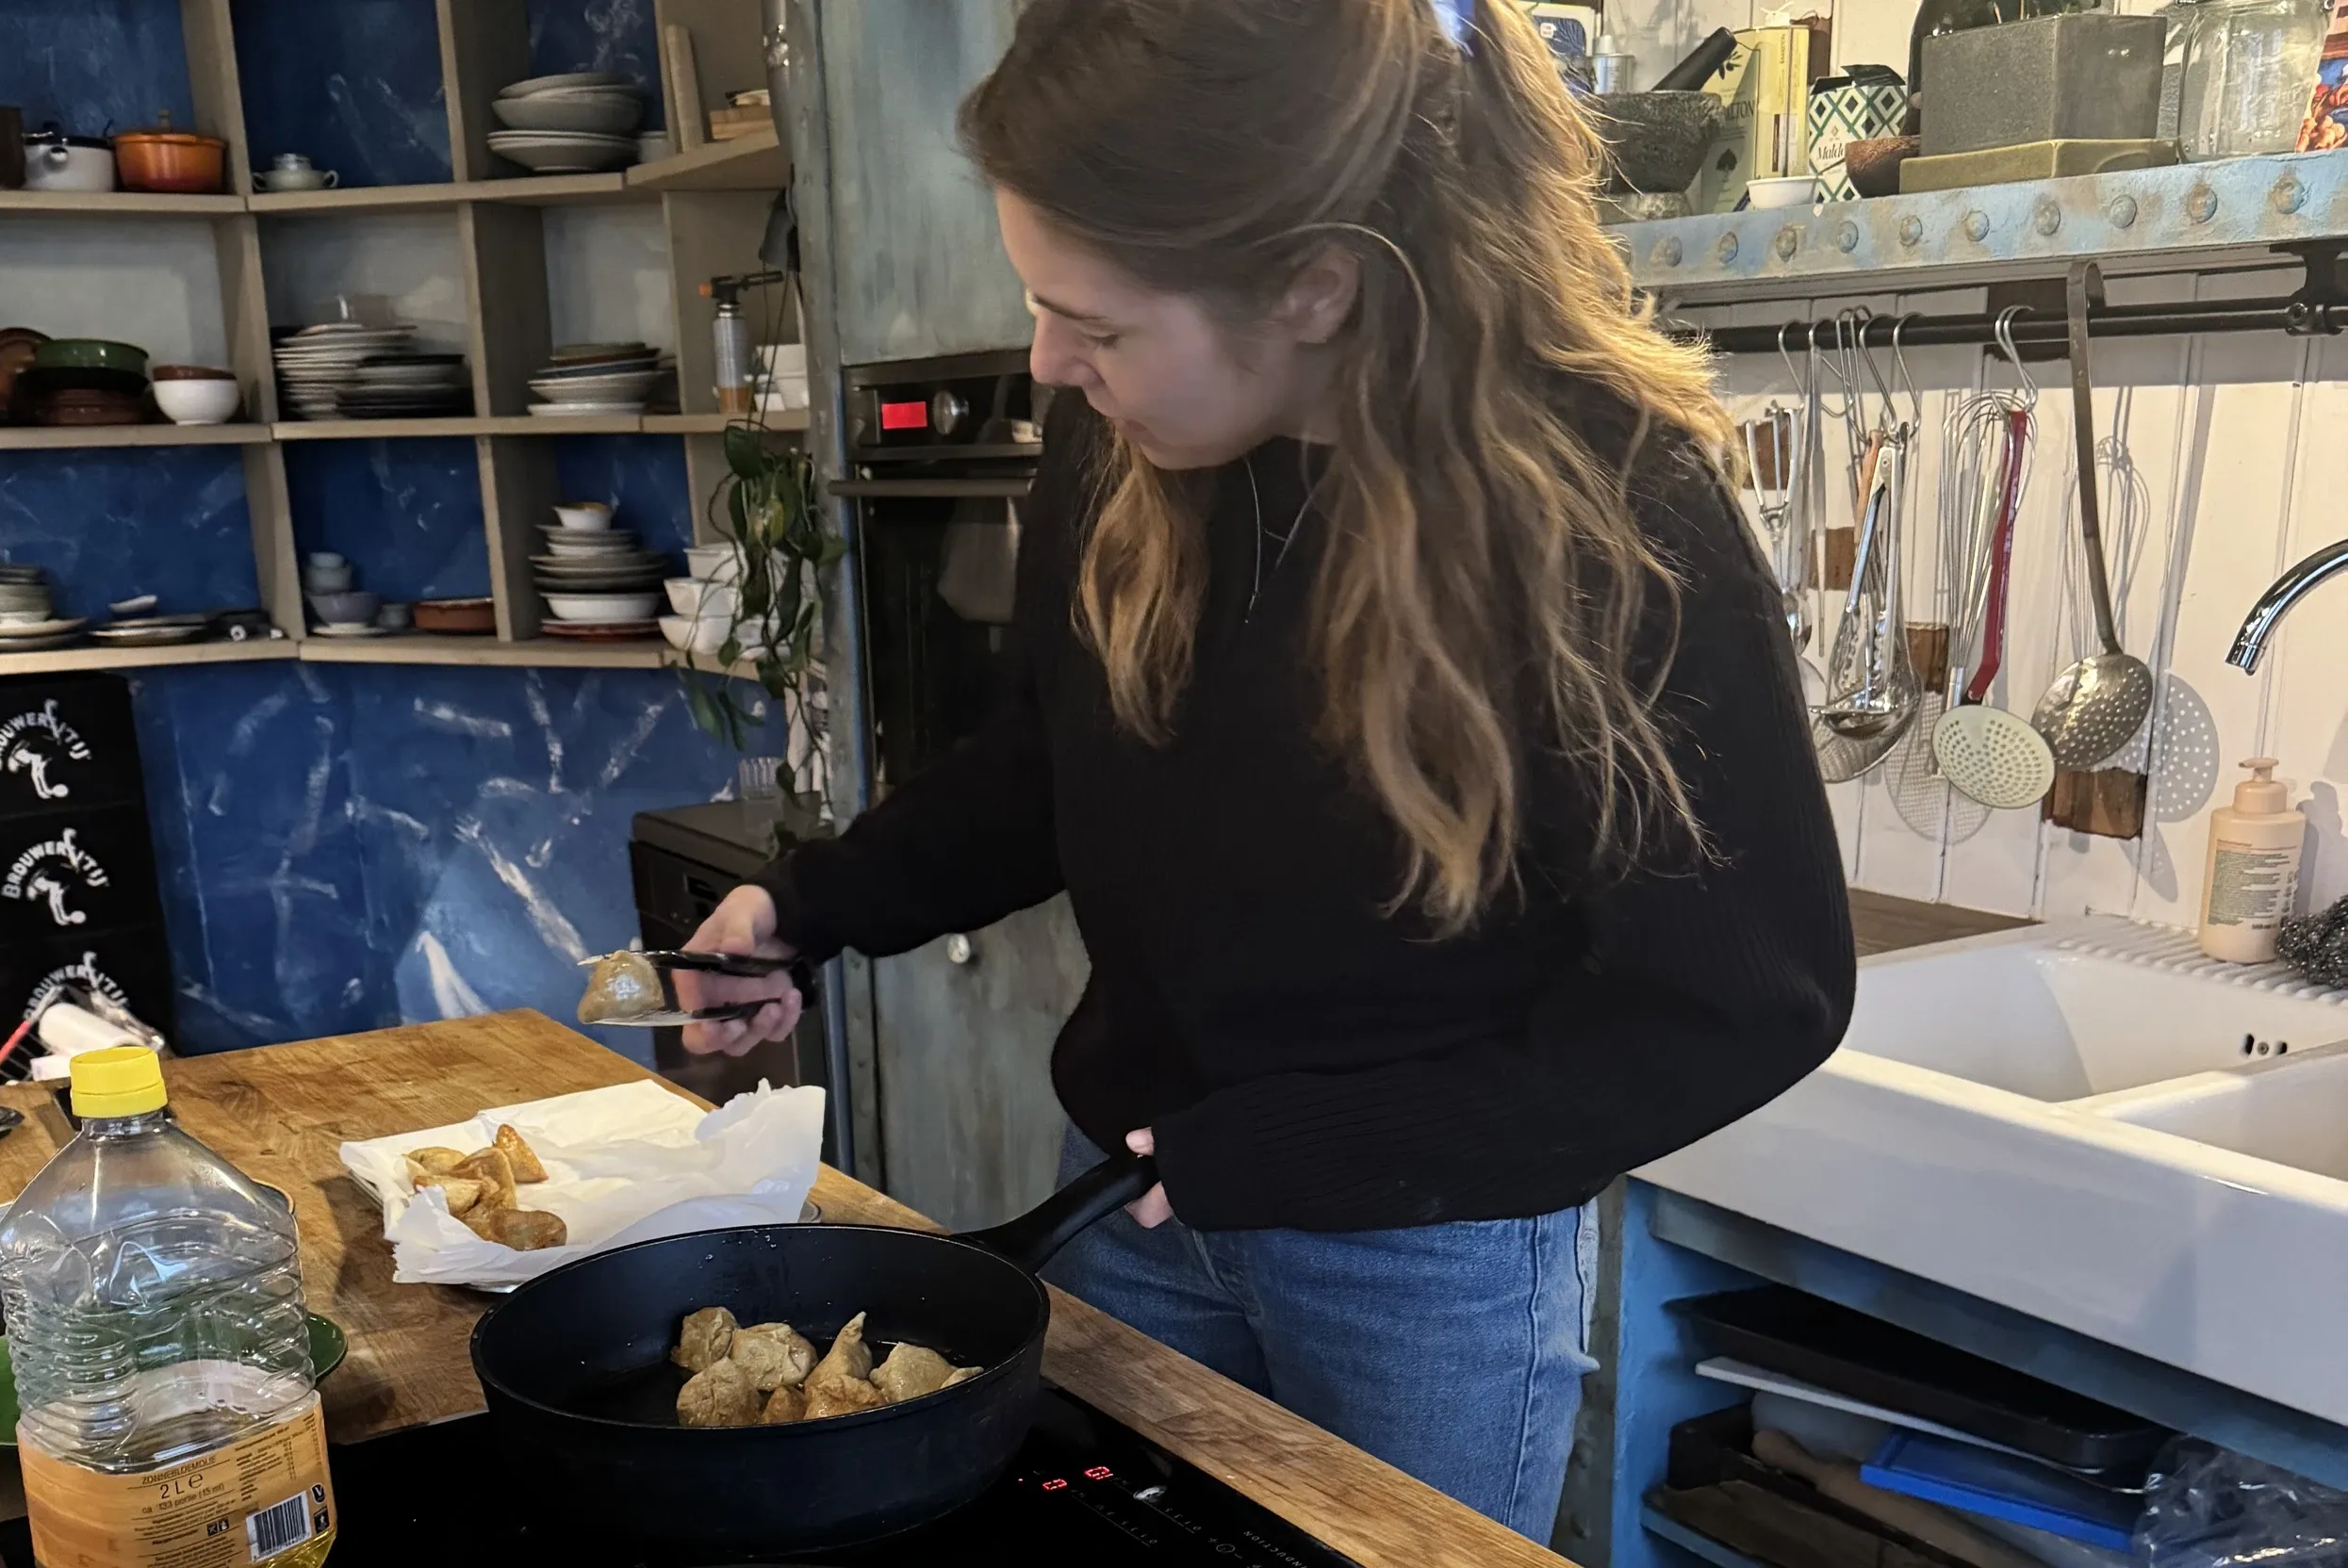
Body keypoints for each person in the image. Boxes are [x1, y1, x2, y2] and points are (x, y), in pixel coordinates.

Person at [670, 0, 1854, 1539]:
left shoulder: (1606, 513)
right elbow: (1051, 761)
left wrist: (1314, 1147)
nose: (1049, 362)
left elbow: (1746, 1004)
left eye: (1094, 325)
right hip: (1132, 1205)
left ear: (1313, 284)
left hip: (1424, 1262)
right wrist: (813, 905)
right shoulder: (1122, 448)